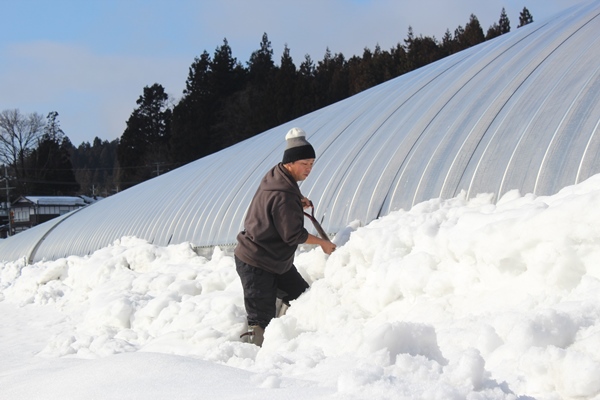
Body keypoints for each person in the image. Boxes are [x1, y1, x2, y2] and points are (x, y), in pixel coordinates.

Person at [234, 127, 336, 346]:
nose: (309, 169)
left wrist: (297, 199)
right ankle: (252, 363)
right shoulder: (283, 194)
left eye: (312, 164)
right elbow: (293, 235)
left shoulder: (277, 175)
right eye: (304, 164)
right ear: (290, 163)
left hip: (275, 261)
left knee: (302, 297)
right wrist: (322, 243)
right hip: (256, 262)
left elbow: (283, 196)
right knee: (261, 321)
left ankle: (296, 339)